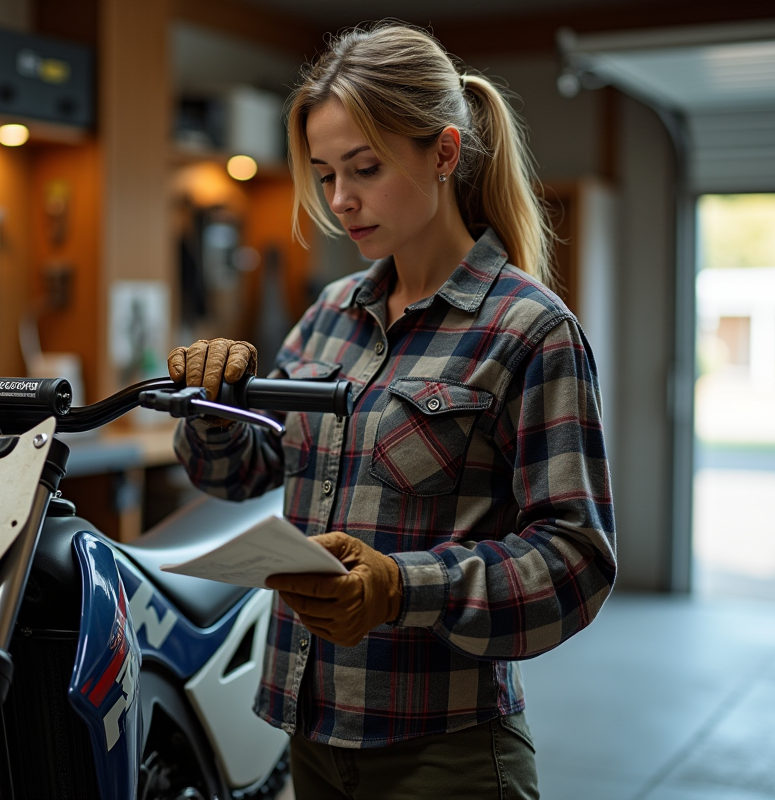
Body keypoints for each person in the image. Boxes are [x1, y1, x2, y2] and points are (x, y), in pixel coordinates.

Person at [169, 21, 616, 800]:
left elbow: (576, 561)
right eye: (324, 173)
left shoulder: (529, 330)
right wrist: (213, 408)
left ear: (444, 153)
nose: (341, 200)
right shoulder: (331, 314)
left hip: (446, 754)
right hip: (311, 737)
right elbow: (246, 472)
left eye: (365, 169)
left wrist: (402, 587)